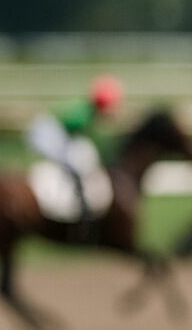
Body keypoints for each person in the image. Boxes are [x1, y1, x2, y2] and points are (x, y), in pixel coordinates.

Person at [24, 74, 124, 234]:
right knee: (74, 165)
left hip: (48, 131)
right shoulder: (85, 114)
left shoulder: (86, 109)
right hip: (46, 133)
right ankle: (81, 208)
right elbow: (77, 137)